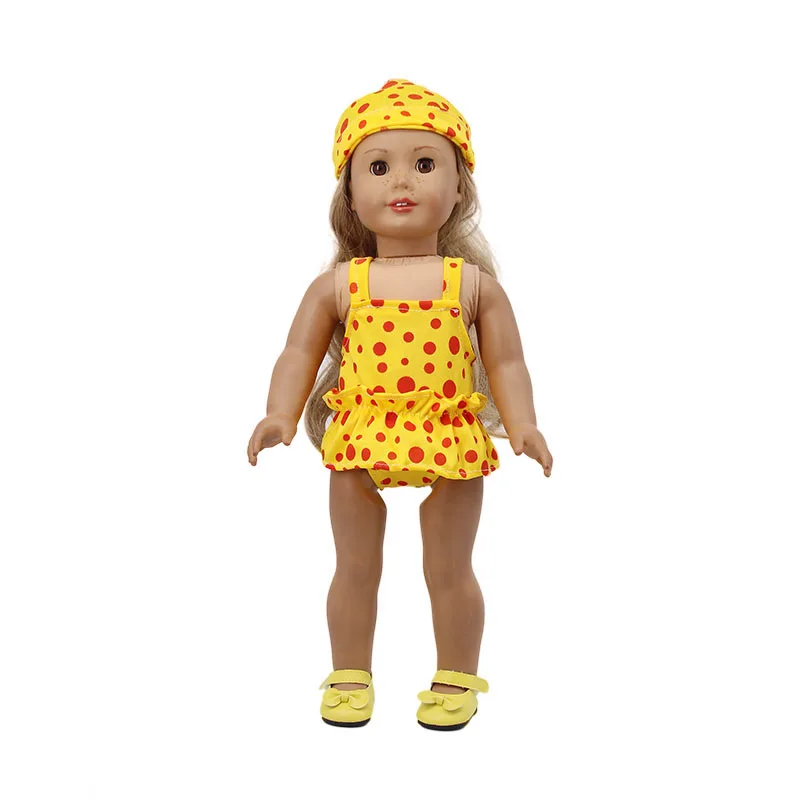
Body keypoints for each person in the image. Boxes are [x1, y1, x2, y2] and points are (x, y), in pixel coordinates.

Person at [247, 79, 553, 730]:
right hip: (362, 434)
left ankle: (457, 677)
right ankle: (349, 674)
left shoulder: (473, 286)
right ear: (351, 193)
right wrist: (279, 414)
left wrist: (522, 424)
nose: (402, 181)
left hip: (448, 433)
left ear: (460, 188)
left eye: (425, 163)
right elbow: (298, 354)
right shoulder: (339, 285)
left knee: (449, 568)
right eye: (379, 167)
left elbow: (506, 363)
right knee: (355, 567)